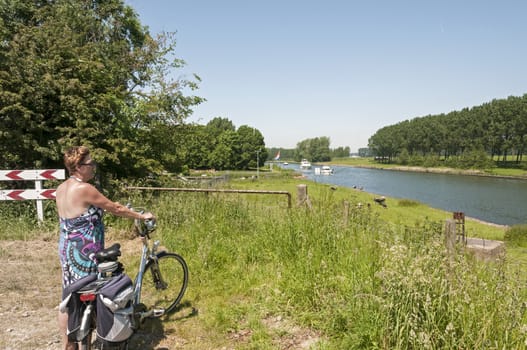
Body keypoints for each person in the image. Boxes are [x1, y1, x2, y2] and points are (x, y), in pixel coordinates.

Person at [55, 146, 154, 350]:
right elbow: (115, 208)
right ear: (79, 166)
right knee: (90, 297)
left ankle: (68, 344)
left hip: (67, 250)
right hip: (85, 253)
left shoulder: (62, 188)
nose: (94, 167)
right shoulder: (84, 188)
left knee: (69, 298)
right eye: (91, 163)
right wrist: (141, 216)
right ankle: (88, 341)